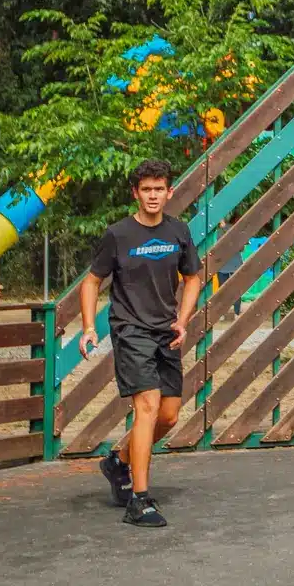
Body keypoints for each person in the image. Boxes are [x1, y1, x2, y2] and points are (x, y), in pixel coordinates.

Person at [78, 159, 205, 528]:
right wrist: (89, 328)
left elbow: (193, 277)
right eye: (145, 189)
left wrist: (182, 319)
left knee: (168, 416)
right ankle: (140, 499)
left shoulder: (178, 231)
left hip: (166, 331)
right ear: (136, 193)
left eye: (159, 189)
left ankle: (118, 460)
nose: (153, 196)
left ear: (169, 192)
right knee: (147, 406)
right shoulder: (118, 235)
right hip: (130, 330)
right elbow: (91, 282)